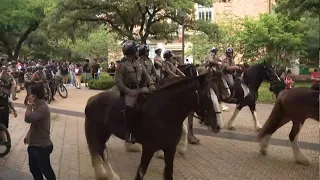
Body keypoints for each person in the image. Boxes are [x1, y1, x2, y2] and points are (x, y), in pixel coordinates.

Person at [114, 40, 156, 144]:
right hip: (129, 91)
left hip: (140, 89)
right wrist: (128, 91)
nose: (138, 52)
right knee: (129, 107)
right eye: (137, 50)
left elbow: (147, 76)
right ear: (132, 52)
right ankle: (130, 132)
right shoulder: (122, 65)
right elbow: (117, 82)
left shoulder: (139, 64)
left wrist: (151, 84)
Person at [24, 84, 56, 180]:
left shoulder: (42, 108)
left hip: (41, 146)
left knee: (46, 170)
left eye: (30, 94)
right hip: (36, 145)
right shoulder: (38, 106)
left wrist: (29, 105)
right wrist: (28, 134)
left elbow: (28, 118)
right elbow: (34, 123)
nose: (28, 96)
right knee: (35, 169)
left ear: (34, 96)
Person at [0, 80, 17, 145]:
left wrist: (14, 110)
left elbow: (9, 103)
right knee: (1, 127)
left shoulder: (5, 95)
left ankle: (2, 139)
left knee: (5, 126)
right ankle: (4, 140)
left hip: (4, 114)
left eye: (1, 86)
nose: (0, 88)